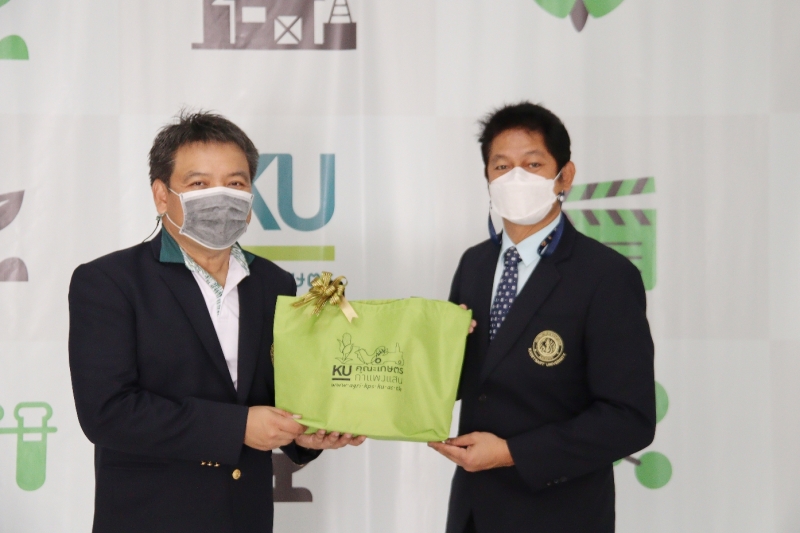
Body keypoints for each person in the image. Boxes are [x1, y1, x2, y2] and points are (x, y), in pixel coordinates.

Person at [68, 111, 365, 533]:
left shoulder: (275, 283)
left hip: (246, 517)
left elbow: (280, 392)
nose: (221, 196)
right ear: (161, 195)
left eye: (236, 183)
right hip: (150, 518)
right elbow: (107, 412)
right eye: (199, 184)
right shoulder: (109, 282)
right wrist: (238, 427)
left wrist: (304, 435)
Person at [429, 102, 656, 533]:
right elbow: (461, 378)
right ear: (487, 178)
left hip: (559, 514)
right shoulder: (474, 264)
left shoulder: (606, 276)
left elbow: (629, 419)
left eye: (533, 164)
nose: (515, 178)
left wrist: (512, 453)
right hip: (473, 512)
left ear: (564, 176)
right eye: (502, 166)